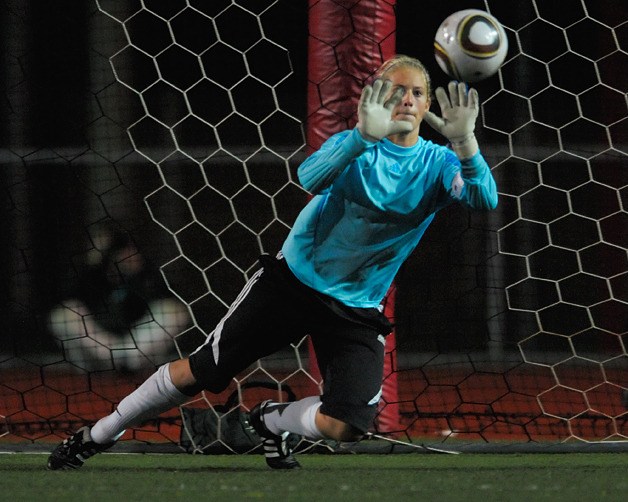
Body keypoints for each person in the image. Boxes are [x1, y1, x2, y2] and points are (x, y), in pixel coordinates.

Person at [47, 55, 497, 470]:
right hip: (291, 284)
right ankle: (98, 434)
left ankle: (271, 420)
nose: (407, 99)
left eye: (417, 92)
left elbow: (483, 198)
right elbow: (310, 177)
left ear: (429, 103)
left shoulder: (439, 162)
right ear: (374, 96)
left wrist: (466, 143)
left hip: (356, 306)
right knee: (203, 371)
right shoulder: (356, 145)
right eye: (396, 90)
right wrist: (361, 138)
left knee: (348, 424)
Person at [47, 224, 190, 372]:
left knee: (174, 312)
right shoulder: (89, 276)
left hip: (137, 355)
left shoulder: (147, 274)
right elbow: (72, 303)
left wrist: (135, 278)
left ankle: (125, 360)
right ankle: (116, 358)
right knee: (62, 315)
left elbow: (164, 301)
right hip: (98, 352)